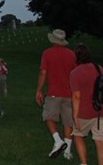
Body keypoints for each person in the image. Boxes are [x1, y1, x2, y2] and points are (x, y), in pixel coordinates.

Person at [35, 29, 77, 159]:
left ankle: (58, 140)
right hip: (69, 92)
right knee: (68, 122)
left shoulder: (47, 53)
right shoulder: (72, 54)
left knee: (48, 117)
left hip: (54, 92)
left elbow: (43, 73)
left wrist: (39, 90)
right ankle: (67, 152)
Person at [69, 44, 103, 165]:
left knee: (78, 136)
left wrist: (75, 116)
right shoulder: (99, 68)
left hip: (83, 112)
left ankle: (83, 163)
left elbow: (76, 96)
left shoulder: (75, 73)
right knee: (100, 142)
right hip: (99, 110)